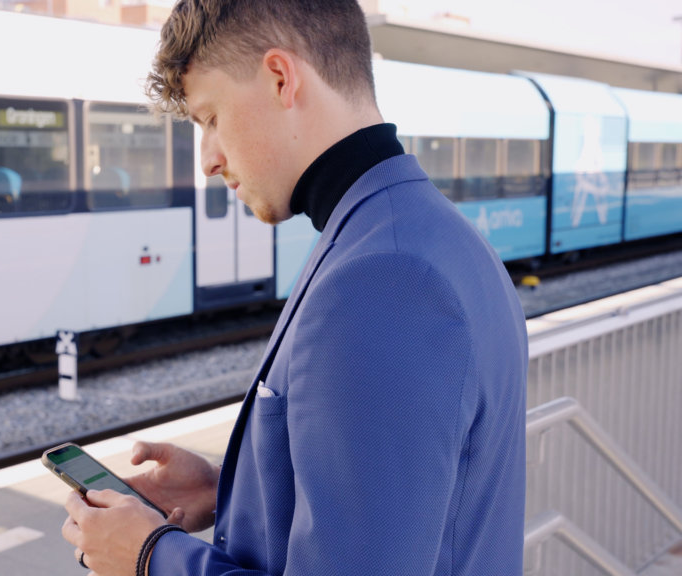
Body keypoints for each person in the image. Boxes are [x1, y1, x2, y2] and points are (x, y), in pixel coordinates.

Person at [61, 1, 528, 574]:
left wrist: (150, 557)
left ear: (280, 78)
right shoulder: (420, 232)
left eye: (210, 118)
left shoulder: (382, 282)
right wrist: (226, 487)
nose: (208, 159)